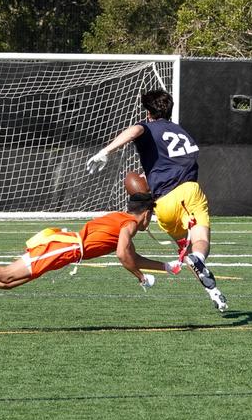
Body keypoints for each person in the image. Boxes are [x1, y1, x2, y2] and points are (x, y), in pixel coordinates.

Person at [85, 89, 228, 313]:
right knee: (199, 245)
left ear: (148, 113)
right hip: (188, 191)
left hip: (163, 205)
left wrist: (106, 151)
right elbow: (172, 161)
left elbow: (135, 130)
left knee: (186, 252)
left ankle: (213, 292)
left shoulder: (148, 127)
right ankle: (200, 261)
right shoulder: (181, 131)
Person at [0, 192, 181, 310]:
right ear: (145, 213)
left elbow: (132, 256)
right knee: (6, 274)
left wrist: (167, 267)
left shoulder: (123, 220)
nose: (150, 221)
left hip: (63, 249)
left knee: (10, 283)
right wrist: (141, 278)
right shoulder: (130, 224)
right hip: (62, 248)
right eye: (151, 216)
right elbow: (123, 256)